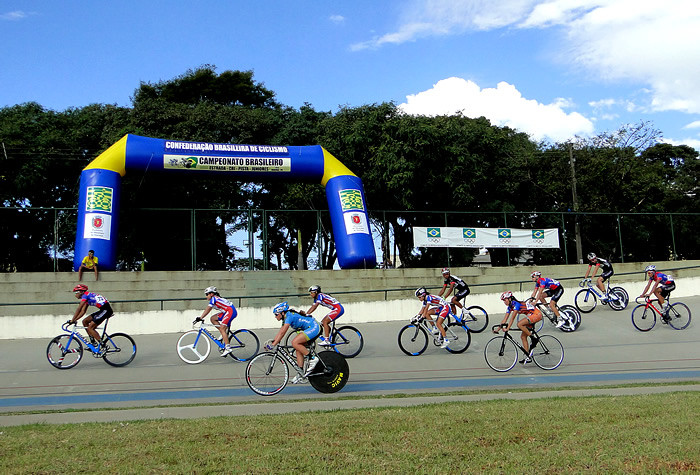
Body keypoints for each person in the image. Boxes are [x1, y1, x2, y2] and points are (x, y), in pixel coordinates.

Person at [266, 301, 321, 384]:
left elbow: (283, 333)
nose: (275, 317)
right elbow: (281, 331)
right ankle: (301, 373)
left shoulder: (289, 316)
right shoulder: (285, 317)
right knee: (298, 348)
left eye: (276, 314)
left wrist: (273, 345)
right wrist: (274, 341)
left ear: (282, 312)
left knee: (295, 343)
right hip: (309, 328)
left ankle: (312, 358)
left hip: (314, 327)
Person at [492, 291, 542, 364]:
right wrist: (498, 329)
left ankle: (533, 339)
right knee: (523, 337)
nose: (504, 302)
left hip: (537, 314)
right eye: (503, 301)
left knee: (519, 324)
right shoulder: (510, 307)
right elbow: (505, 319)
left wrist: (507, 328)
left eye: (505, 300)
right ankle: (528, 356)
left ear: (509, 299)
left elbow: (512, 318)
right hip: (530, 315)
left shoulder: (516, 304)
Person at [69, 284, 113, 350]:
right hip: (103, 310)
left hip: (106, 310)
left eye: (76, 292)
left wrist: (72, 320)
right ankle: (93, 342)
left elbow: (79, 308)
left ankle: (103, 345)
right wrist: (75, 319)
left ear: (81, 292)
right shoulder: (87, 297)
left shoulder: (85, 295)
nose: (75, 295)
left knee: (90, 328)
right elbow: (83, 311)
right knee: (85, 321)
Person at [196, 286, 237, 357]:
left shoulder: (214, 299)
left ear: (211, 294)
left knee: (222, 328)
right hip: (227, 311)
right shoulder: (215, 299)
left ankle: (228, 348)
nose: (206, 297)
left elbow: (208, 309)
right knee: (213, 319)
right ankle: (223, 332)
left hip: (230, 311)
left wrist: (201, 317)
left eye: (207, 294)